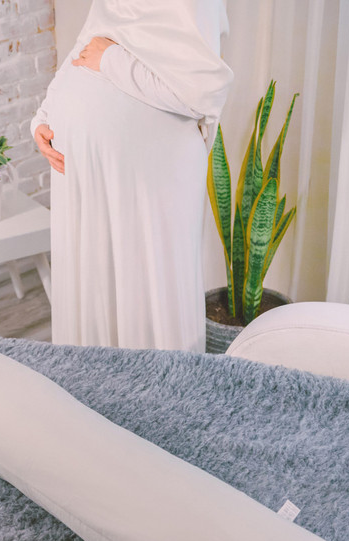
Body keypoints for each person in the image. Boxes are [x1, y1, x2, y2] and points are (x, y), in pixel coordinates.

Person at [31, 0, 233, 351]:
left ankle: (158, 384)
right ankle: (92, 381)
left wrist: (111, 60)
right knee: (92, 282)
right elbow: (89, 41)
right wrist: (44, 116)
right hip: (82, 168)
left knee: (149, 290)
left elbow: (200, 94)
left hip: (151, 170)